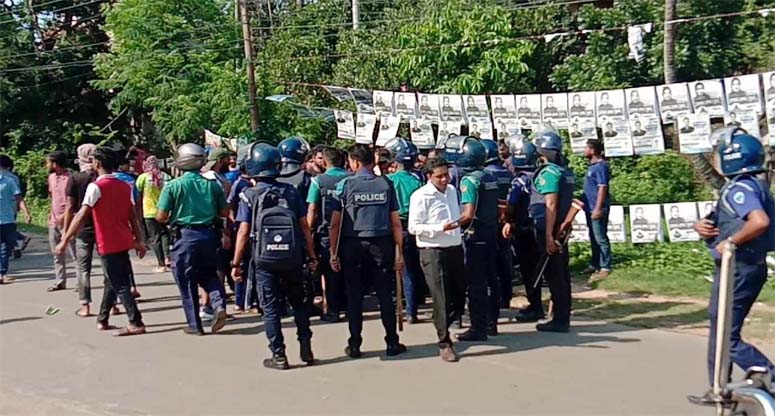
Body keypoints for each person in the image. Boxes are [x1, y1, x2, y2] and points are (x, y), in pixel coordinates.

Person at [688, 131, 775, 405]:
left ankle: (767, 373)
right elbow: (723, 221)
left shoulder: (741, 188)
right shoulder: (752, 186)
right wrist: (703, 227)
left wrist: (730, 242)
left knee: (725, 332)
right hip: (746, 267)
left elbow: (758, 221)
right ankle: (718, 388)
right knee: (720, 328)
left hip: (739, 268)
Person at [231, 142, 318, 370]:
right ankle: (306, 348)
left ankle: (278, 355)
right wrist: (311, 255)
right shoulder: (289, 192)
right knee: (299, 304)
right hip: (293, 258)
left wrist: (236, 262)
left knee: (271, 309)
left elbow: (243, 231)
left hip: (263, 261)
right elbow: (304, 227)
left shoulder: (249, 194)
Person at [55, 147, 147, 336]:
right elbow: (132, 216)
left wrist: (65, 239)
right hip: (123, 240)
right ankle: (102, 318)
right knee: (111, 280)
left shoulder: (96, 187)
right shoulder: (124, 185)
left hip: (108, 242)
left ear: (97, 163)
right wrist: (139, 240)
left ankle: (135, 322)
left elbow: (81, 214)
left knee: (119, 283)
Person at [328, 144, 407, 359]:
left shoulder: (345, 184)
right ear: (372, 162)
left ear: (353, 162)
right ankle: (392, 341)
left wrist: (333, 253)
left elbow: (335, 223)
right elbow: (396, 222)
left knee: (354, 297)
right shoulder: (386, 183)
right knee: (384, 295)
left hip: (352, 245)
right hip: (381, 244)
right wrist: (399, 251)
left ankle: (355, 344)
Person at [156, 143, 229, 336]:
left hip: (185, 238)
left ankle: (194, 325)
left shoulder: (173, 186)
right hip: (209, 235)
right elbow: (224, 211)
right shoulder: (213, 185)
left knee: (185, 279)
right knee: (208, 274)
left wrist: (176, 216)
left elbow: (160, 216)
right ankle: (219, 303)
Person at [408, 157, 465, 362]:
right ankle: (444, 341)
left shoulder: (451, 191)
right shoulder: (420, 196)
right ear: (429, 176)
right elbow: (414, 227)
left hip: (454, 248)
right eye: (439, 176)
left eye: (446, 175)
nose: (444, 180)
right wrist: (440, 228)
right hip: (433, 251)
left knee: (459, 296)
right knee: (440, 296)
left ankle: (441, 321)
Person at [529, 130, 575, 332]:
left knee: (555, 275)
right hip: (562, 228)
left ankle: (559, 321)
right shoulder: (566, 171)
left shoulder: (549, 172)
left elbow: (551, 204)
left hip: (550, 228)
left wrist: (548, 236)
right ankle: (561, 317)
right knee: (562, 274)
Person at [456, 137, 499, 341]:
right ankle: (492, 323)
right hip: (491, 233)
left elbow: (468, 214)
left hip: (475, 235)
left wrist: (448, 225)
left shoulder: (468, 180)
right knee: (491, 279)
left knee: (476, 284)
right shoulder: (488, 176)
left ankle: (477, 328)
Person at [502, 137, 544, 322]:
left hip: (525, 228)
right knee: (538, 268)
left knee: (528, 270)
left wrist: (507, 219)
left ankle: (535, 307)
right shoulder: (540, 175)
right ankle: (537, 304)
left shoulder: (519, 181)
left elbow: (511, 204)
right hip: (539, 226)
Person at [385, 138, 425, 324]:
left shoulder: (389, 181)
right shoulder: (419, 181)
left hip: (396, 226)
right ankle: (412, 309)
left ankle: (407, 309)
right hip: (414, 227)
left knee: (402, 270)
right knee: (413, 268)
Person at [306, 147, 349, 323]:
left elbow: (312, 208)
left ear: (324, 161)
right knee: (349, 272)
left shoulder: (318, 181)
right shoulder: (351, 178)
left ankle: (333, 310)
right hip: (350, 232)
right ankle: (350, 307)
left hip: (325, 232)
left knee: (330, 273)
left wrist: (308, 231)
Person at [65, 144, 99, 317]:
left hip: (82, 228)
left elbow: (70, 207)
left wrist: (66, 231)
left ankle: (85, 305)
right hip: (102, 227)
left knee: (83, 268)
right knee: (109, 267)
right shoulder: (101, 177)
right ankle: (113, 304)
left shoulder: (75, 178)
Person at [481, 139, 515, 308]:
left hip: (491, 221)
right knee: (505, 258)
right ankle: (506, 296)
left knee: (490, 263)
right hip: (506, 220)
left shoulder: (485, 174)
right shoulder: (506, 172)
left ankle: (493, 298)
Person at [226, 146, 258, 314]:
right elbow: (230, 204)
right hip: (244, 228)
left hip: (243, 227)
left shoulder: (246, 183)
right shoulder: (242, 184)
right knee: (245, 267)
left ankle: (242, 301)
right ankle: (244, 302)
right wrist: (236, 222)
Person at [45, 151, 75, 292]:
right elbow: (52, 197)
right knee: (56, 253)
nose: (47, 165)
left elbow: (73, 202)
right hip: (54, 220)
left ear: (55, 164)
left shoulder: (70, 178)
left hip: (69, 220)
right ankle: (60, 281)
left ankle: (80, 282)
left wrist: (65, 216)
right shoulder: (51, 178)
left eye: (49, 162)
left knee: (75, 253)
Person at [583, 140, 612, 281]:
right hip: (589, 208)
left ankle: (605, 266)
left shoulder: (601, 166)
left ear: (592, 150)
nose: (584, 150)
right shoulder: (592, 166)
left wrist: (598, 208)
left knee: (600, 237)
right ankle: (595, 264)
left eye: (586, 148)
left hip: (597, 208)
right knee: (593, 237)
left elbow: (602, 187)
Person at [136, 155, 171, 273]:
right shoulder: (165, 176)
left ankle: (161, 264)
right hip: (163, 210)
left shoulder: (143, 178)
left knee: (155, 238)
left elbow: (137, 195)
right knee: (165, 234)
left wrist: (138, 211)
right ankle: (167, 257)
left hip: (149, 212)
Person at [0, 155, 25, 284]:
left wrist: (26, 212)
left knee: (4, 247)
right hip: (9, 216)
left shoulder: (10, 181)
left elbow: (18, 197)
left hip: (8, 218)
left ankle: (2, 273)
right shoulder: (13, 178)